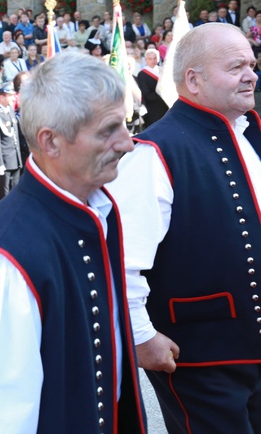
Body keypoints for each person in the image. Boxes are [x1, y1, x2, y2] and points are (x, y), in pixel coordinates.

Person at [0, 51, 145, 433]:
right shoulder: (7, 262)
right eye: (108, 130)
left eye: (123, 126)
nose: (127, 143)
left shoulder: (96, 210)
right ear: (50, 142)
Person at [108, 23, 261, 433]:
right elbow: (122, 261)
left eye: (251, 64)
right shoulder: (154, 153)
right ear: (193, 79)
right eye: (236, 67)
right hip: (199, 355)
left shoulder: (251, 135)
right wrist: (141, 337)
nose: (251, 75)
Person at [0, 82, 23, 202]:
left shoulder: (10, 111)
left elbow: (15, 136)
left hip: (15, 159)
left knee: (16, 192)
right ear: (2, 97)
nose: (13, 98)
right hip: (5, 162)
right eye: (10, 95)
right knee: (5, 195)